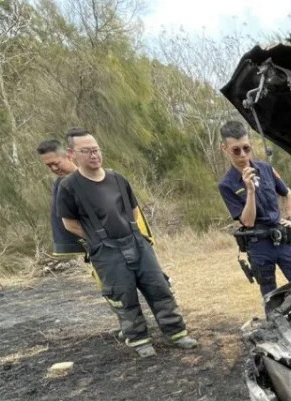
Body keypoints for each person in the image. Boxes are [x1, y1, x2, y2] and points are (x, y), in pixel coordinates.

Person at [56, 128, 197, 358]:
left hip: (136, 242)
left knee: (159, 287)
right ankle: (140, 340)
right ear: (72, 154)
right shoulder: (69, 186)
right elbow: (69, 223)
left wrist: (134, 234)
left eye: (96, 149)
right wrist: (95, 237)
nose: (94, 155)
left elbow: (133, 210)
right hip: (106, 251)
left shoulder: (117, 178)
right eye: (87, 151)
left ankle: (176, 334)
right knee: (123, 296)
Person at [217, 120, 291, 299]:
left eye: (246, 148)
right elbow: (248, 221)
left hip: (281, 239)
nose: (243, 155)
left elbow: (287, 193)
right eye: (236, 150)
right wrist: (249, 190)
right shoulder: (226, 185)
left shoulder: (266, 169)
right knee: (271, 297)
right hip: (258, 245)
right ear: (225, 149)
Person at [36, 138, 84, 256]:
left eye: (56, 163)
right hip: (80, 248)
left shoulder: (87, 180)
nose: (53, 169)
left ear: (69, 155)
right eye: (49, 166)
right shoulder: (59, 184)